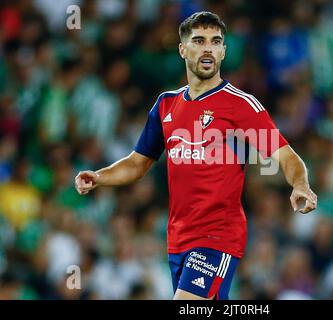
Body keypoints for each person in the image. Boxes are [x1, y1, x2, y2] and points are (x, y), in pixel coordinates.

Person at [74, 11, 317, 300]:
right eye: (199, 41)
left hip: (218, 236)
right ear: (182, 49)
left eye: (215, 42)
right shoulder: (166, 105)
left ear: (223, 52)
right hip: (177, 239)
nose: (208, 49)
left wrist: (300, 184)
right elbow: (137, 163)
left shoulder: (240, 106)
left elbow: (287, 156)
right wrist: (99, 177)